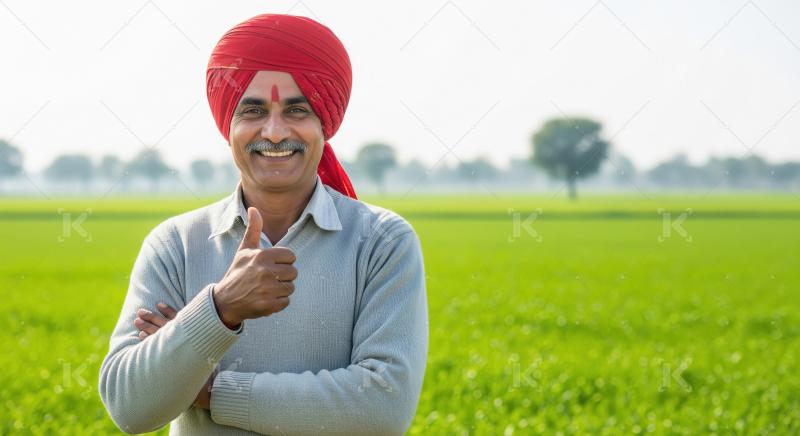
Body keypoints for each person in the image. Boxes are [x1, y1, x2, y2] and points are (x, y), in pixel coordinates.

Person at [98, 13, 428, 435]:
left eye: (297, 110)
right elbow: (131, 408)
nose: (274, 132)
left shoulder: (381, 242)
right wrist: (221, 308)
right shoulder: (176, 244)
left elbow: (383, 408)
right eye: (253, 110)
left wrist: (208, 388)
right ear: (228, 126)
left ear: (324, 124)